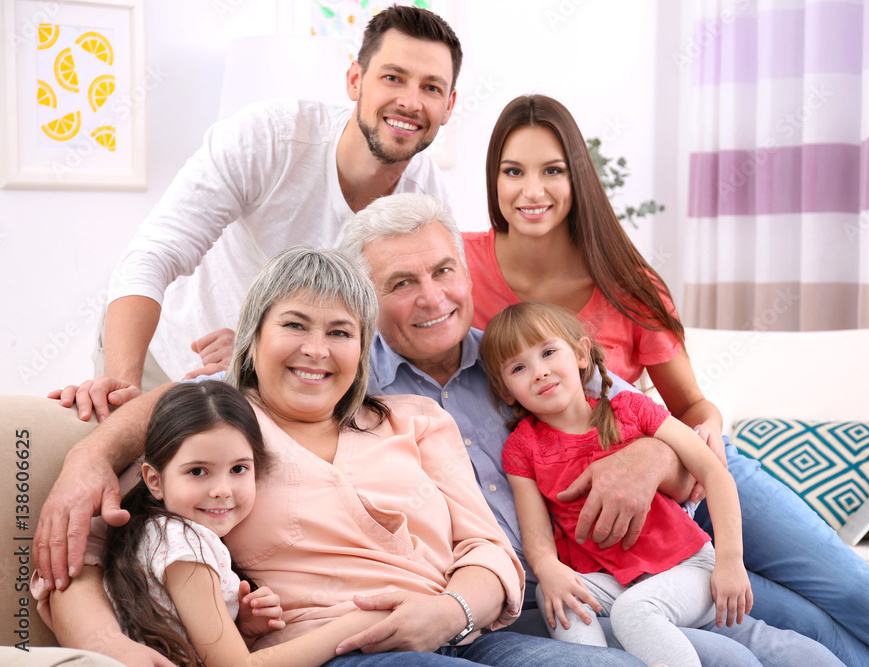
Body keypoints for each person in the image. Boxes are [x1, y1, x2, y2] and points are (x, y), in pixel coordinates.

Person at [464, 94, 869, 667]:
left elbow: (695, 407)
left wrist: (656, 454)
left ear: (577, 176)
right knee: (790, 617)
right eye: (513, 171)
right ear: (493, 180)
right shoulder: (461, 273)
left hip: (690, 466)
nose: (532, 191)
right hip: (620, 521)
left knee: (849, 585)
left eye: (552, 170)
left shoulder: (626, 280)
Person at [34, 247, 641, 667]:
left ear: (361, 348)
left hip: (462, 635)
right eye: (295, 326)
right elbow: (90, 543)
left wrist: (447, 610)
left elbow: (486, 549)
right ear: (254, 337)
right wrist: (101, 642)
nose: (317, 351)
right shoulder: (221, 434)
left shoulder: (416, 419)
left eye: (341, 332)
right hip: (337, 651)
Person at [49, 5, 461, 422]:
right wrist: (123, 386)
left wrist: (257, 351)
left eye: (431, 88)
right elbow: (151, 255)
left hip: (276, 385)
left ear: (449, 106)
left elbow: (401, 324)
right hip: (168, 350)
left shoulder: (427, 204)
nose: (410, 101)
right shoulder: (269, 138)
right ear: (355, 80)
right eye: (393, 78)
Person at [480, 302, 846, 667]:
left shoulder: (632, 409)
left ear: (580, 354)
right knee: (559, 598)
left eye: (547, 352)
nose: (539, 372)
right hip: (609, 582)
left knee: (634, 613)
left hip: (686, 568)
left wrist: (731, 562)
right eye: (519, 367)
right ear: (506, 389)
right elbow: (536, 533)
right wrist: (549, 570)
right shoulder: (522, 446)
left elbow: (715, 473)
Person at [104, 380, 395, 666]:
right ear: (155, 481)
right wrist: (359, 624)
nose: (222, 490)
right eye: (197, 471)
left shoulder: (162, 534)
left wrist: (241, 626)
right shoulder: (183, 543)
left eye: (238, 469)